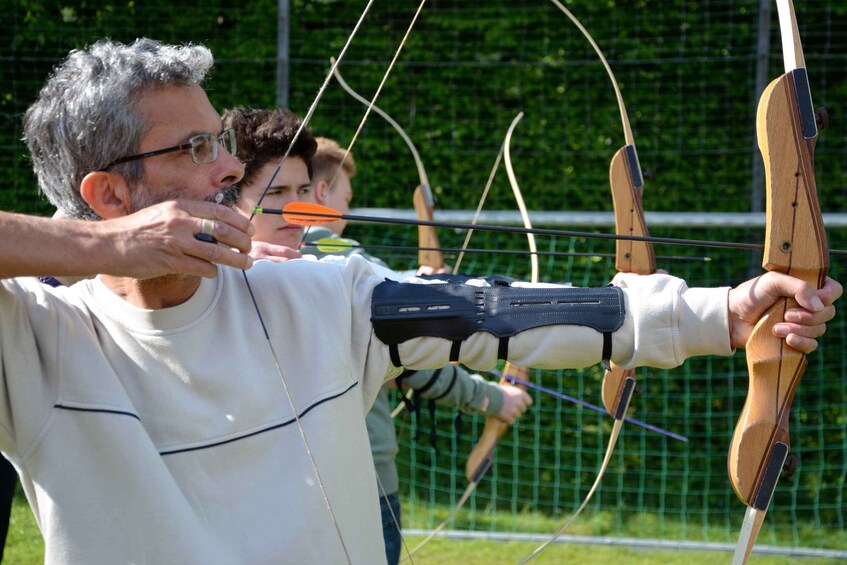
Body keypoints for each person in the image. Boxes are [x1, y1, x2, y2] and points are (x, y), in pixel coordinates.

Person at [0, 38, 838, 564]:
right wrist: (102, 252)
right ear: (109, 195)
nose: (226, 167)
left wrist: (725, 312)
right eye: (193, 147)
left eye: (220, 140)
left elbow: (494, 311)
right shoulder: (36, 340)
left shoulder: (315, 296)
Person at [223, 111, 534, 564]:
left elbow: (406, 321)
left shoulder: (332, 263)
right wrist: (490, 398)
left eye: (302, 191)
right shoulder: (308, 262)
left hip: (346, 474)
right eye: (278, 195)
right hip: (292, 485)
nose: (301, 208)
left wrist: (426, 289)